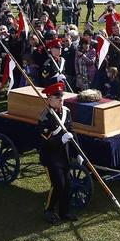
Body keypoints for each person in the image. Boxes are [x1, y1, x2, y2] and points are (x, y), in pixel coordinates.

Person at [38, 81, 81, 223]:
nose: (60, 100)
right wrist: (61, 139)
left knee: (67, 184)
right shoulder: (44, 117)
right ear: (49, 99)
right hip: (51, 157)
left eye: (61, 97)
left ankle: (64, 212)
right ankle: (48, 210)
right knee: (58, 185)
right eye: (57, 98)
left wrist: (78, 152)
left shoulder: (66, 112)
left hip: (65, 155)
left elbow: (72, 131)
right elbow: (47, 139)